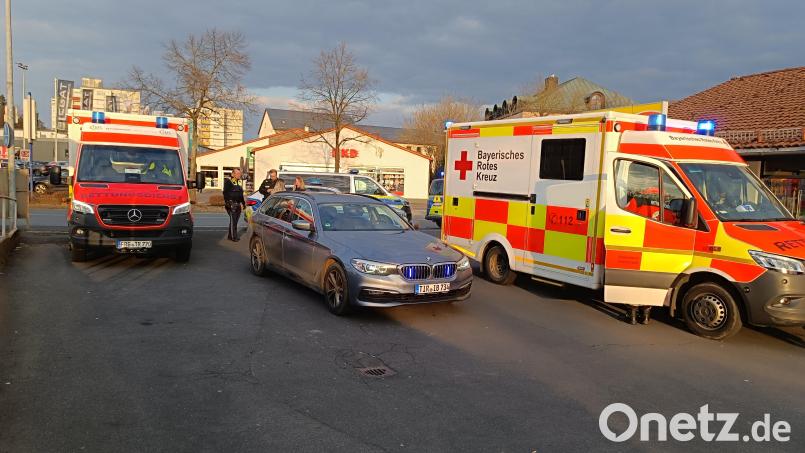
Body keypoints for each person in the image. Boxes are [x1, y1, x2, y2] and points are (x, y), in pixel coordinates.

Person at [223, 168, 246, 241]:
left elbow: (241, 194)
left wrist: (243, 204)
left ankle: (230, 235)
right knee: (233, 221)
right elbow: (225, 193)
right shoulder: (228, 182)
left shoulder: (239, 182)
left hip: (238, 204)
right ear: (233, 174)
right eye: (237, 173)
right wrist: (229, 203)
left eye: (240, 174)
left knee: (234, 221)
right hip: (231, 204)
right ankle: (234, 237)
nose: (239, 175)